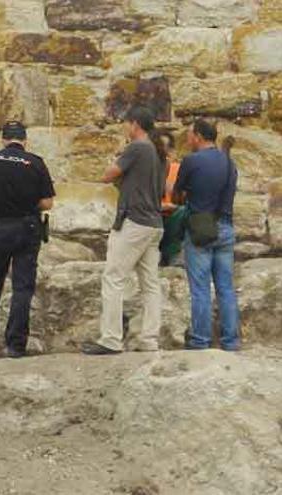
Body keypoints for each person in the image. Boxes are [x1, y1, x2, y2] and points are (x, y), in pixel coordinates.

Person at [0, 121, 56, 361]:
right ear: (24, 140)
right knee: (22, 288)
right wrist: (27, 202)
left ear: (4, 139)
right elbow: (47, 203)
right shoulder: (35, 163)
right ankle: (15, 345)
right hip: (27, 229)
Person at [82, 106, 166, 355]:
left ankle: (110, 339)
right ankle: (149, 339)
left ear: (135, 125)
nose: (124, 128)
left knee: (113, 278)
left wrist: (115, 162)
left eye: (125, 124)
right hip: (154, 223)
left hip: (134, 222)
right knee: (150, 284)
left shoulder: (138, 147)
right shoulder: (158, 153)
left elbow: (109, 175)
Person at [173, 119, 240, 351]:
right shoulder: (230, 163)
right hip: (226, 226)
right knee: (225, 287)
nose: (188, 139)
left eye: (189, 135)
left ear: (199, 136)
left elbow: (176, 196)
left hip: (201, 227)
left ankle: (201, 340)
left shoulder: (191, 161)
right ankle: (231, 341)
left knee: (200, 287)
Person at [158, 131, 187, 267]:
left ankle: (171, 255)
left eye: (166, 148)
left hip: (173, 215)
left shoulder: (179, 170)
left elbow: (187, 197)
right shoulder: (146, 169)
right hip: (152, 215)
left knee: (182, 213)